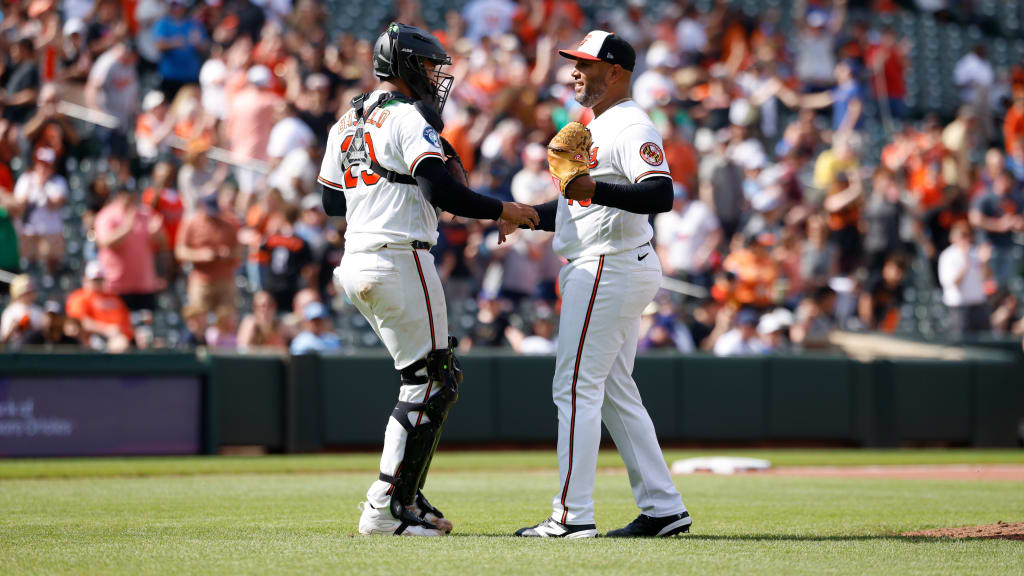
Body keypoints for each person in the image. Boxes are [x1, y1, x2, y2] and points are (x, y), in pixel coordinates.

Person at [317, 22, 537, 537]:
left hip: (357, 259)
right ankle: (388, 503)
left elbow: (332, 202)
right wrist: (508, 208)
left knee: (431, 379)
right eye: (432, 68)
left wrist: (384, 183)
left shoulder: (345, 119)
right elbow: (443, 191)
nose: (438, 79)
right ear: (410, 66)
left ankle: (405, 494)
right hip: (399, 256)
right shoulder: (407, 117)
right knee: (432, 381)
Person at [503, 31, 690, 539]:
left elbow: (660, 192)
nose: (575, 71)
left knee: (575, 388)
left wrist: (591, 186)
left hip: (609, 266)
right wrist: (521, 215)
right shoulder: (597, 126)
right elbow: (577, 207)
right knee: (611, 390)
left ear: (617, 72)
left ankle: (571, 516)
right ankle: (663, 507)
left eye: (587, 63)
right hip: (613, 261)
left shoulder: (630, 124)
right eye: (574, 62)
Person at [94, 189, 164, 312]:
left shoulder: (146, 213)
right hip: (116, 285)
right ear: (119, 196)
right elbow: (105, 243)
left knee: (146, 328)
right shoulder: (107, 215)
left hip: (144, 284)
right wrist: (127, 228)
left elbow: (163, 244)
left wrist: (157, 235)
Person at [176, 193, 241, 311]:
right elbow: (180, 251)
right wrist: (200, 255)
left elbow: (239, 250)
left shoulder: (228, 225)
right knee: (198, 316)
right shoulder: (192, 224)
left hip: (225, 280)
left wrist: (228, 253)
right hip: (201, 281)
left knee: (227, 319)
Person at [12, 147, 67, 273]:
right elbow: (19, 204)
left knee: (50, 269)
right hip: (28, 232)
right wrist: (32, 188)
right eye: (41, 164)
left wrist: (43, 187)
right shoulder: (26, 179)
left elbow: (55, 203)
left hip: (51, 234)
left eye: (47, 165)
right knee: (28, 269)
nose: (43, 168)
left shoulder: (58, 182)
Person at [65, 260, 134, 347]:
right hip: (92, 337)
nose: (98, 283)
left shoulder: (114, 298)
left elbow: (126, 322)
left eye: (100, 279)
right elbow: (79, 322)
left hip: (116, 337)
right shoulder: (79, 297)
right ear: (85, 279)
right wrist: (107, 330)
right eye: (95, 280)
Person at [938, 223, 989, 338]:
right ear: (953, 238)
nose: (965, 239)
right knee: (960, 345)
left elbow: (986, 278)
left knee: (984, 343)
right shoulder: (947, 256)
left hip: (978, 306)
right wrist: (966, 265)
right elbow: (952, 283)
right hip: (959, 309)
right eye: (962, 235)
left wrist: (984, 262)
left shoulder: (976, 253)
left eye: (968, 235)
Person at [1, 275, 43, 345]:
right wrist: (16, 328)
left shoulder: (38, 309)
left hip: (36, 351)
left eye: (32, 291)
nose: (31, 294)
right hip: (15, 352)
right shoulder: (10, 312)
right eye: (28, 292)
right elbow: (4, 340)